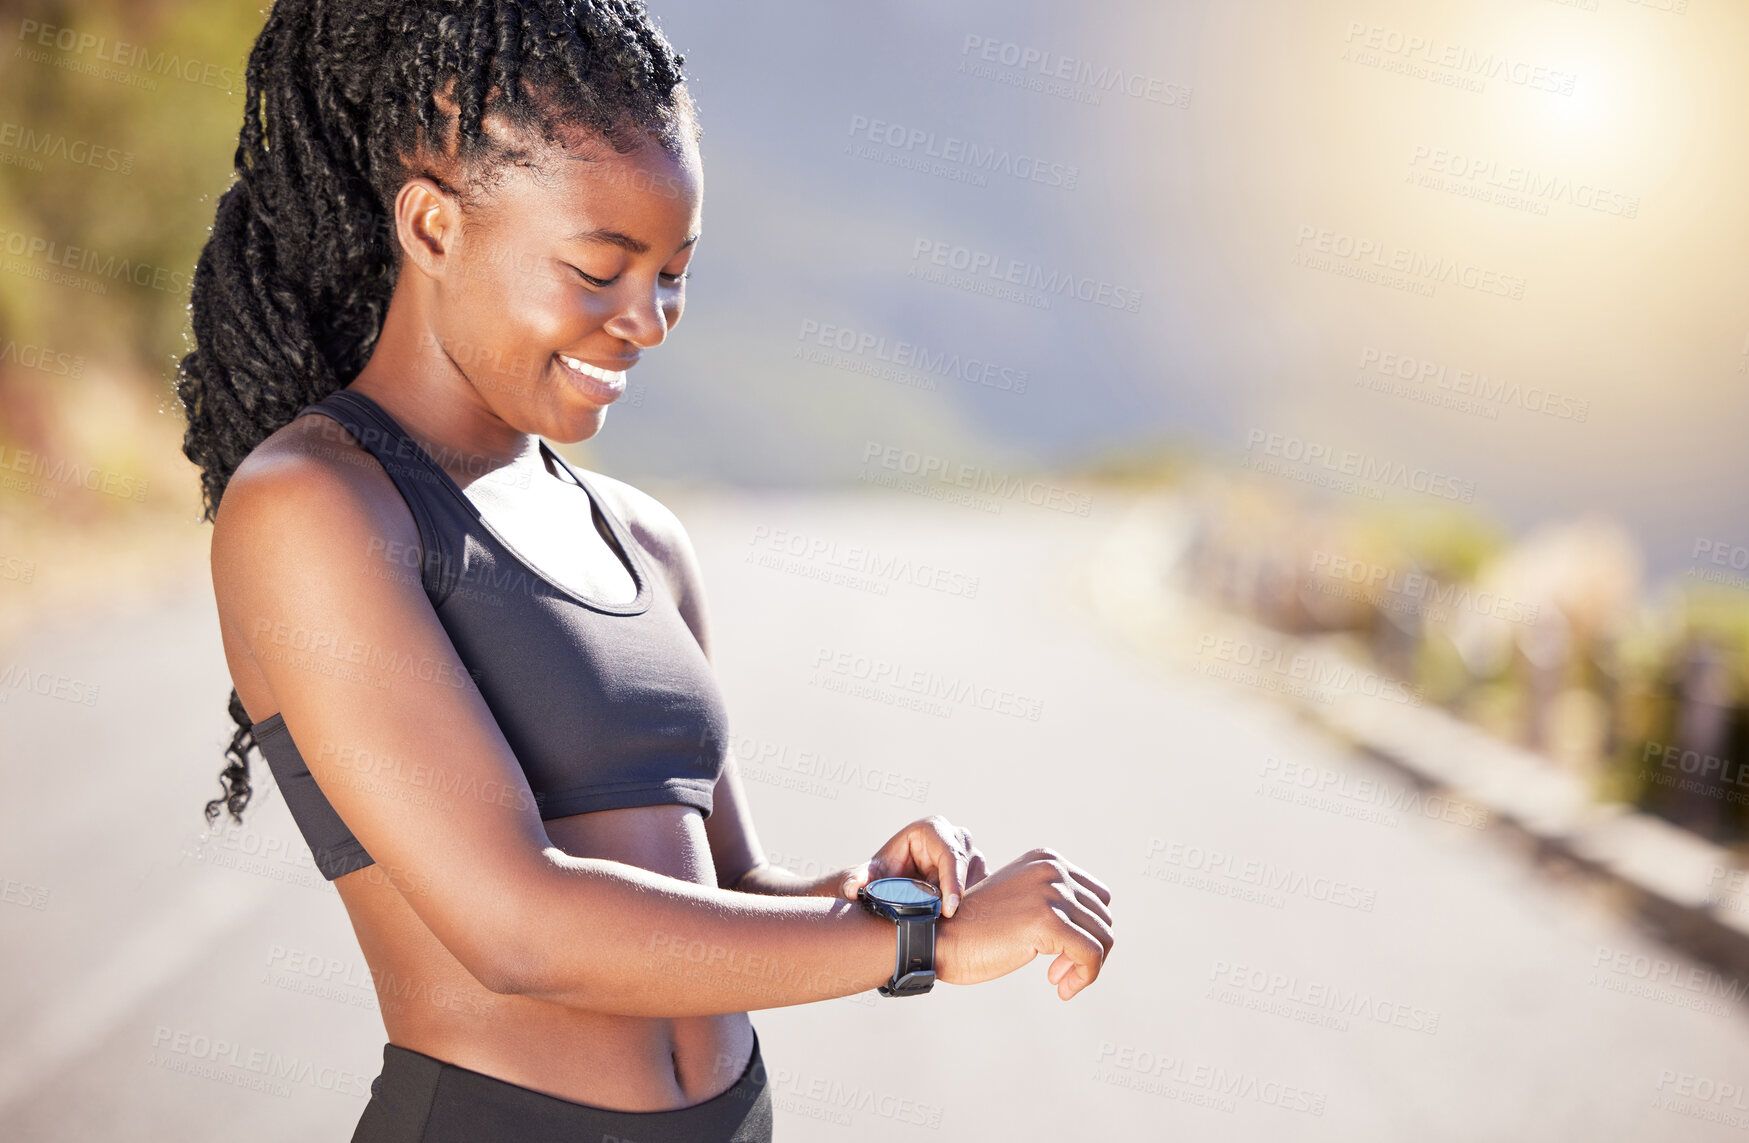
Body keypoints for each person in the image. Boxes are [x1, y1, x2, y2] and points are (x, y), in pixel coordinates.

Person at [175, 2, 1115, 1139]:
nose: (651, 320)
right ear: (431, 227)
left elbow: (721, 899)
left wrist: (870, 893)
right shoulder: (315, 507)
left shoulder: (641, 537)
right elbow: (515, 926)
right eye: (599, 270)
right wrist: (920, 949)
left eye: (674, 272)